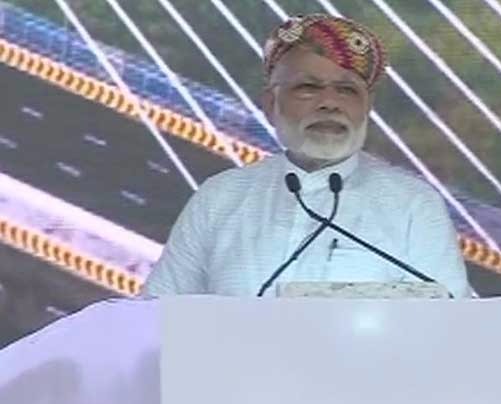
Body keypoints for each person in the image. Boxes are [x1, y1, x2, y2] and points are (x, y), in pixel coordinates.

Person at [143, 14, 471, 297]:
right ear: (271, 104)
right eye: (308, 88)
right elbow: (155, 316)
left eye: (347, 90)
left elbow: (452, 327)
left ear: (366, 108)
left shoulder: (413, 204)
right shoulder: (220, 198)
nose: (330, 103)